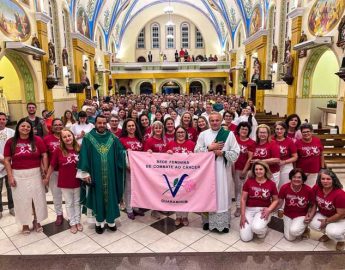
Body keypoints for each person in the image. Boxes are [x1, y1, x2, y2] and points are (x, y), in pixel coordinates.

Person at [77, 115, 126, 234]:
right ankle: (99, 223)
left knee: (111, 196)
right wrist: (85, 173)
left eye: (104, 123)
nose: (102, 125)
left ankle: (111, 222)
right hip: (95, 175)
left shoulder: (113, 138)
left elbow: (121, 151)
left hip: (111, 175)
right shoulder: (88, 138)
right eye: (99, 123)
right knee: (97, 197)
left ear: (107, 123)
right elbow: (83, 156)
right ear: (95, 123)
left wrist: (126, 153)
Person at [195, 112, 240, 233]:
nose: (215, 123)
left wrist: (223, 153)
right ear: (209, 122)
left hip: (223, 171)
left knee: (222, 194)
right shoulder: (203, 134)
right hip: (207, 172)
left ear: (221, 121)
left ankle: (223, 223)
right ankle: (206, 221)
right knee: (207, 194)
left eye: (217, 120)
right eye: (212, 120)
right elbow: (196, 152)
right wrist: (210, 148)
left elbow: (236, 153)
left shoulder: (229, 134)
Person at [4, 118, 48, 234]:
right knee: (21, 200)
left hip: (36, 174)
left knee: (37, 199)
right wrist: (10, 176)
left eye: (28, 127)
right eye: (23, 126)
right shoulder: (11, 142)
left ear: (31, 129)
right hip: (18, 174)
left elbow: (44, 155)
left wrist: (44, 170)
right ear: (18, 127)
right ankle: (24, 223)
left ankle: (37, 221)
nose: (25, 128)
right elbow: (7, 160)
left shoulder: (37, 140)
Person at [44, 129, 82, 234]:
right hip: (65, 181)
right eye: (64, 137)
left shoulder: (79, 148)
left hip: (78, 180)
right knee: (69, 203)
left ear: (73, 136)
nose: (67, 138)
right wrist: (47, 177)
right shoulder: (58, 150)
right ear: (61, 139)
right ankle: (72, 223)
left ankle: (78, 221)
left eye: (69, 135)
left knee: (77, 202)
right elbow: (52, 165)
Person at [240, 161, 278, 242]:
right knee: (245, 238)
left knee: (257, 228)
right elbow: (243, 199)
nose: (258, 171)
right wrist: (242, 215)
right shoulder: (249, 181)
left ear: (265, 170)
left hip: (263, 210)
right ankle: (254, 224)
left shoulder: (271, 184)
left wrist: (269, 210)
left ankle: (262, 230)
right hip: (249, 209)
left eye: (261, 169)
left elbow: (276, 200)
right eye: (256, 169)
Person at [308, 169, 345, 251]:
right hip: (324, 214)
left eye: (328, 179)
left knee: (333, 232)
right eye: (323, 179)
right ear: (319, 180)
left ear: (333, 180)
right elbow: (314, 203)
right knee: (311, 222)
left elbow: (341, 214)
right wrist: (310, 215)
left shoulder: (340, 194)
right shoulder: (317, 187)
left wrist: (326, 221)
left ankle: (341, 240)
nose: (325, 181)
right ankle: (328, 234)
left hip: (340, 219)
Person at [166, 126, 196, 226]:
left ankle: (185, 216)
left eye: (182, 132)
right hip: (174, 174)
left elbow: (198, 159)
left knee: (186, 194)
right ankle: (178, 216)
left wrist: (192, 155)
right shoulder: (170, 144)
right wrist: (168, 153)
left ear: (185, 133)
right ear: (175, 134)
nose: (180, 134)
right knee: (177, 195)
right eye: (178, 132)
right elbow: (163, 158)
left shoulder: (191, 144)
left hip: (188, 174)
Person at [277, 168, 314, 241]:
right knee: (290, 238)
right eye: (294, 177)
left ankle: (306, 228)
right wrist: (272, 209)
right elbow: (279, 202)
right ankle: (293, 224)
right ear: (291, 178)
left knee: (294, 231)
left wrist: (309, 214)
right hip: (287, 214)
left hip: (301, 214)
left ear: (303, 178)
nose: (296, 179)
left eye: (299, 177)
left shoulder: (308, 190)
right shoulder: (284, 187)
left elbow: (312, 204)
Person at [119, 118, 144, 220]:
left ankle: (136, 207)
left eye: (133, 125)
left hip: (139, 169)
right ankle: (129, 209)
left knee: (138, 188)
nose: (131, 127)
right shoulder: (122, 140)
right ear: (125, 127)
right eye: (129, 126)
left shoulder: (139, 138)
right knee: (128, 189)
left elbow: (143, 153)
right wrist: (126, 160)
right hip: (128, 169)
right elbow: (119, 154)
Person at [144, 121, 167, 220]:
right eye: (156, 128)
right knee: (155, 190)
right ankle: (154, 210)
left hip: (164, 169)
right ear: (153, 129)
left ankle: (161, 206)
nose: (158, 130)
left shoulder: (165, 140)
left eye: (160, 128)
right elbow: (144, 155)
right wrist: (148, 152)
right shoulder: (149, 140)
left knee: (163, 189)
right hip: (154, 170)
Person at [43, 118, 64, 226]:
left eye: (60, 124)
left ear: (63, 126)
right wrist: (45, 170)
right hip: (54, 171)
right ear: (52, 126)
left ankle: (73, 215)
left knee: (70, 195)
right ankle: (59, 214)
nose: (58, 126)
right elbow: (44, 155)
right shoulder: (47, 139)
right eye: (55, 125)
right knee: (56, 194)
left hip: (67, 171)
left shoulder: (67, 136)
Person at [233, 122, 255, 217]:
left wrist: (244, 170)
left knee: (244, 189)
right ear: (238, 130)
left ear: (248, 131)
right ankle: (238, 206)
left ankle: (242, 207)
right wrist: (232, 167)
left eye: (246, 129)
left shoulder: (251, 142)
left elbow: (250, 158)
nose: (244, 131)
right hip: (234, 167)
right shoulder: (234, 139)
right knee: (237, 188)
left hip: (245, 169)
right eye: (242, 128)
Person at [295, 123, 324, 187]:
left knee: (311, 188)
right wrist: (295, 170)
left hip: (315, 169)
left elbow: (321, 154)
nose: (306, 133)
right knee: (301, 187)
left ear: (311, 132)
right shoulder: (297, 143)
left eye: (308, 131)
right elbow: (295, 158)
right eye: (303, 132)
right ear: (301, 133)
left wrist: (322, 167)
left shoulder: (317, 140)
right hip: (302, 170)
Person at [0, 112, 15, 218]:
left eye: (3, 119)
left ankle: (12, 207)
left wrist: (8, 162)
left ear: (6, 120)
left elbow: (14, 147)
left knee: (10, 187)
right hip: (1, 163)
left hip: (10, 163)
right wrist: (4, 162)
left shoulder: (12, 132)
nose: (1, 121)